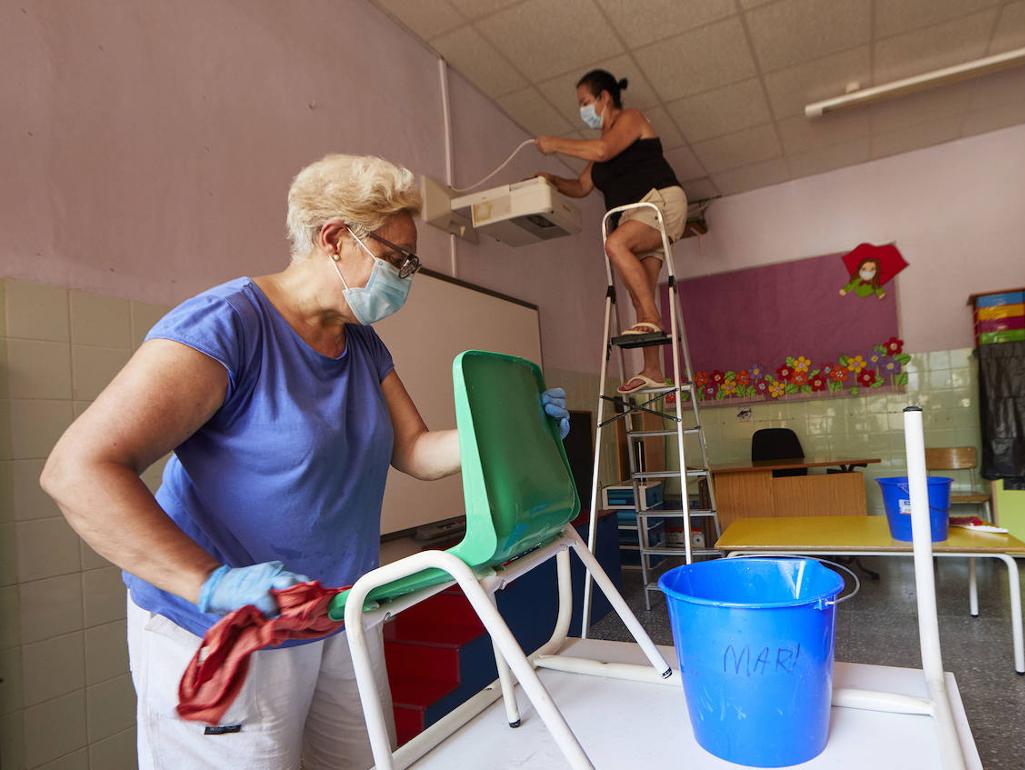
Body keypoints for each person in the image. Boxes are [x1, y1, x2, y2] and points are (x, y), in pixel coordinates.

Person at [39, 154, 569, 769]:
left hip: (336, 616)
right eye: (398, 258)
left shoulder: (363, 343)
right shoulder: (228, 325)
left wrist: (510, 428)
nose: (406, 277)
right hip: (234, 628)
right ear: (336, 239)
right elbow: (78, 469)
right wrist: (210, 583)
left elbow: (415, 451)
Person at [534, 69, 687, 394]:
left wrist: (555, 144)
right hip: (636, 214)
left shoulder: (630, 119)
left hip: (659, 202)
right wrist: (552, 180)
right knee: (637, 289)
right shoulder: (600, 152)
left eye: (585, 102)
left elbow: (603, 150)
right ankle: (653, 370)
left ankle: (651, 317)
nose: (583, 111)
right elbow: (580, 187)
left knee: (615, 244)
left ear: (605, 97)